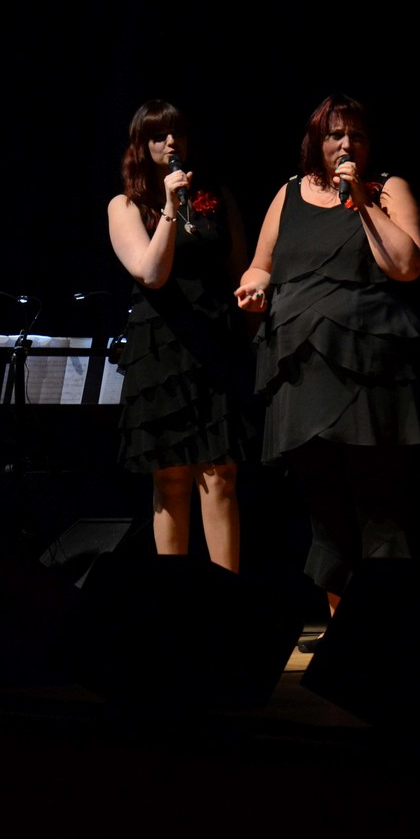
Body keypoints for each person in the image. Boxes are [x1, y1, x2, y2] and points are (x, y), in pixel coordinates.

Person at [237, 94, 420, 631]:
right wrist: (254, 288)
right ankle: (343, 628)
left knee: (379, 502)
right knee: (324, 505)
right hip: (301, 367)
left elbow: (408, 265)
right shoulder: (288, 193)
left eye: (357, 136)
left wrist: (363, 202)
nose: (346, 145)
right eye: (335, 135)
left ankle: (386, 628)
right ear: (316, 141)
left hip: (368, 368)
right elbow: (260, 266)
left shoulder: (388, 189)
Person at [108, 99, 251, 567]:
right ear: (141, 146)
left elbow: (242, 272)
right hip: (161, 349)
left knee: (220, 475)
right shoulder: (126, 206)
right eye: (159, 136)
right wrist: (170, 208)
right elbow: (151, 274)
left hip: (215, 342)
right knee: (170, 478)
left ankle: (226, 595)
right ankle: (176, 597)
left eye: (178, 134)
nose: (172, 143)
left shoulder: (217, 197)